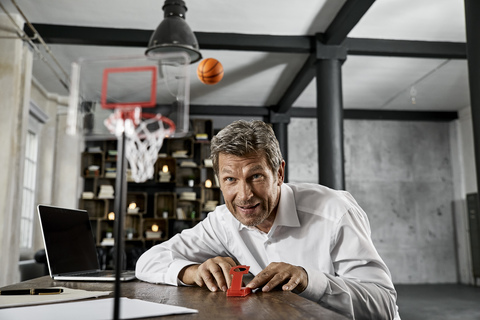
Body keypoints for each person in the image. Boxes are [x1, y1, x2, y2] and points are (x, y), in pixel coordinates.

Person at [136, 120, 400, 320]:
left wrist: (309, 280)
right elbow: (148, 262)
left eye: (256, 176)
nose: (244, 195)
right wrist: (193, 271)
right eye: (230, 180)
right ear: (219, 181)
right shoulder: (223, 221)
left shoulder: (334, 212)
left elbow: (384, 305)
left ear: (279, 173)